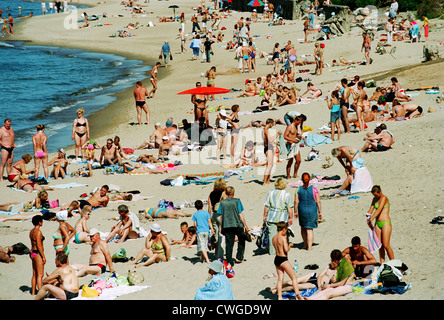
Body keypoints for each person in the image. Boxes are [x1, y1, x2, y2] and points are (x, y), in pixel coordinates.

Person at [216, 186, 249, 265]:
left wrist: (221, 226)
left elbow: (221, 216)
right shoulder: (237, 201)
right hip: (237, 224)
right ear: (233, 193)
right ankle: (239, 257)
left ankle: (229, 260)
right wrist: (245, 225)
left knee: (229, 244)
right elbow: (240, 214)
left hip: (227, 225)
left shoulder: (222, 203)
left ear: (226, 193)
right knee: (241, 240)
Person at [272, 222, 303, 300]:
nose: (286, 231)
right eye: (286, 229)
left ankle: (279, 297)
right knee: (293, 278)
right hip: (283, 259)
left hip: (277, 259)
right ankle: (297, 295)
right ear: (283, 229)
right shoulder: (283, 237)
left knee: (280, 279)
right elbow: (286, 249)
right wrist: (290, 245)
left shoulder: (274, 238)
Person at [263, 178, 294, 255]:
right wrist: (291, 217)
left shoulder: (271, 192)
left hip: (272, 216)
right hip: (282, 217)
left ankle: (272, 251)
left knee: (272, 235)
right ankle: (282, 250)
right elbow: (289, 207)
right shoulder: (286, 194)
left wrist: (265, 216)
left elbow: (267, 206)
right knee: (283, 235)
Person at [366, 185, 394, 264]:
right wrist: (368, 214)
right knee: (380, 245)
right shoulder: (375, 199)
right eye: (374, 195)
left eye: (376, 194)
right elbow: (371, 209)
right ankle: (382, 263)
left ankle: (393, 262)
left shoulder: (384, 198)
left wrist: (372, 218)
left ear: (380, 192)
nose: (375, 196)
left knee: (386, 245)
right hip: (377, 224)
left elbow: (379, 210)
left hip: (385, 223)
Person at [294, 172, 322, 250]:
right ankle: (309, 247)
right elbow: (318, 201)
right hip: (312, 210)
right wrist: (320, 212)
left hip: (302, 210)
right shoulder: (314, 189)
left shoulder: (298, 189)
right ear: (309, 179)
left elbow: (296, 202)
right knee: (309, 229)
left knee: (303, 227)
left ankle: (305, 244)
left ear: (301, 180)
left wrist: (295, 212)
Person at [208, 178, 227, 259]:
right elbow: (226, 205)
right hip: (220, 215)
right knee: (221, 234)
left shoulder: (211, 194)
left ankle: (216, 253)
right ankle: (220, 254)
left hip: (213, 214)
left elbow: (209, 206)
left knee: (215, 234)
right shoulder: (223, 193)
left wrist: (209, 218)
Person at [30, 215, 46, 295]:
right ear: (39, 222)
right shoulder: (38, 232)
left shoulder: (31, 231)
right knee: (40, 274)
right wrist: (43, 256)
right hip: (37, 253)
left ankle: (33, 292)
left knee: (34, 273)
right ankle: (40, 291)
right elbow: (39, 245)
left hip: (32, 253)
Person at [263, 119, 281, 185]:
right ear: (270, 123)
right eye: (272, 124)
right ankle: (265, 181)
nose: (272, 126)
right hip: (268, 149)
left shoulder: (265, 129)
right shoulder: (265, 130)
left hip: (268, 148)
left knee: (270, 165)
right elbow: (270, 140)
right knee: (269, 166)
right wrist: (277, 134)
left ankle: (268, 180)